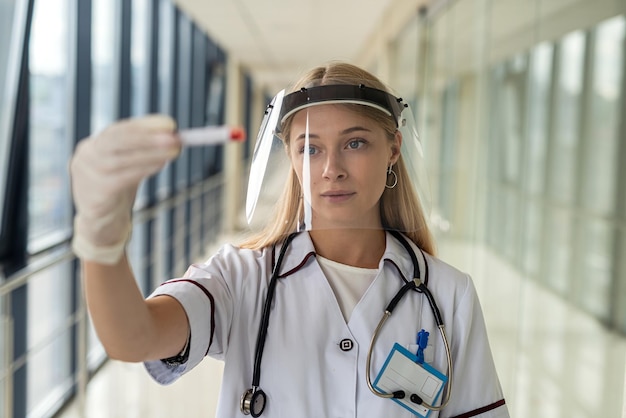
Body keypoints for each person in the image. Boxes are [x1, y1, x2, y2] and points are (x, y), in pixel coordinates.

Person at [70, 62, 509, 418]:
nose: (330, 169)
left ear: (393, 148)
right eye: (310, 148)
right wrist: (101, 236)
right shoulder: (240, 277)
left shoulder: (448, 295)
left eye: (355, 143)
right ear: (291, 157)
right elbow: (133, 337)